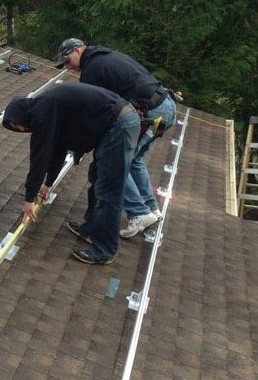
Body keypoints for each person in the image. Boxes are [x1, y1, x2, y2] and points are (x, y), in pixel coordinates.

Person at [3, 82, 140, 265]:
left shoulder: (42, 111)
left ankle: (105, 250)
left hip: (119, 124)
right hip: (116, 122)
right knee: (97, 180)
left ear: (21, 114)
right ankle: (91, 229)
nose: (20, 129)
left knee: (108, 191)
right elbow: (58, 149)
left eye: (16, 125)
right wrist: (47, 184)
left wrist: (29, 199)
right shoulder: (48, 109)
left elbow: (39, 158)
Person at [56, 38, 177, 239]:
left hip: (150, 111)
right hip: (166, 106)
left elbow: (95, 111)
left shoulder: (92, 70)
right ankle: (151, 209)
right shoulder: (104, 57)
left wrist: (78, 143)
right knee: (135, 159)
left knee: (117, 163)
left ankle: (139, 212)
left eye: (67, 60)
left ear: (77, 50)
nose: (67, 66)